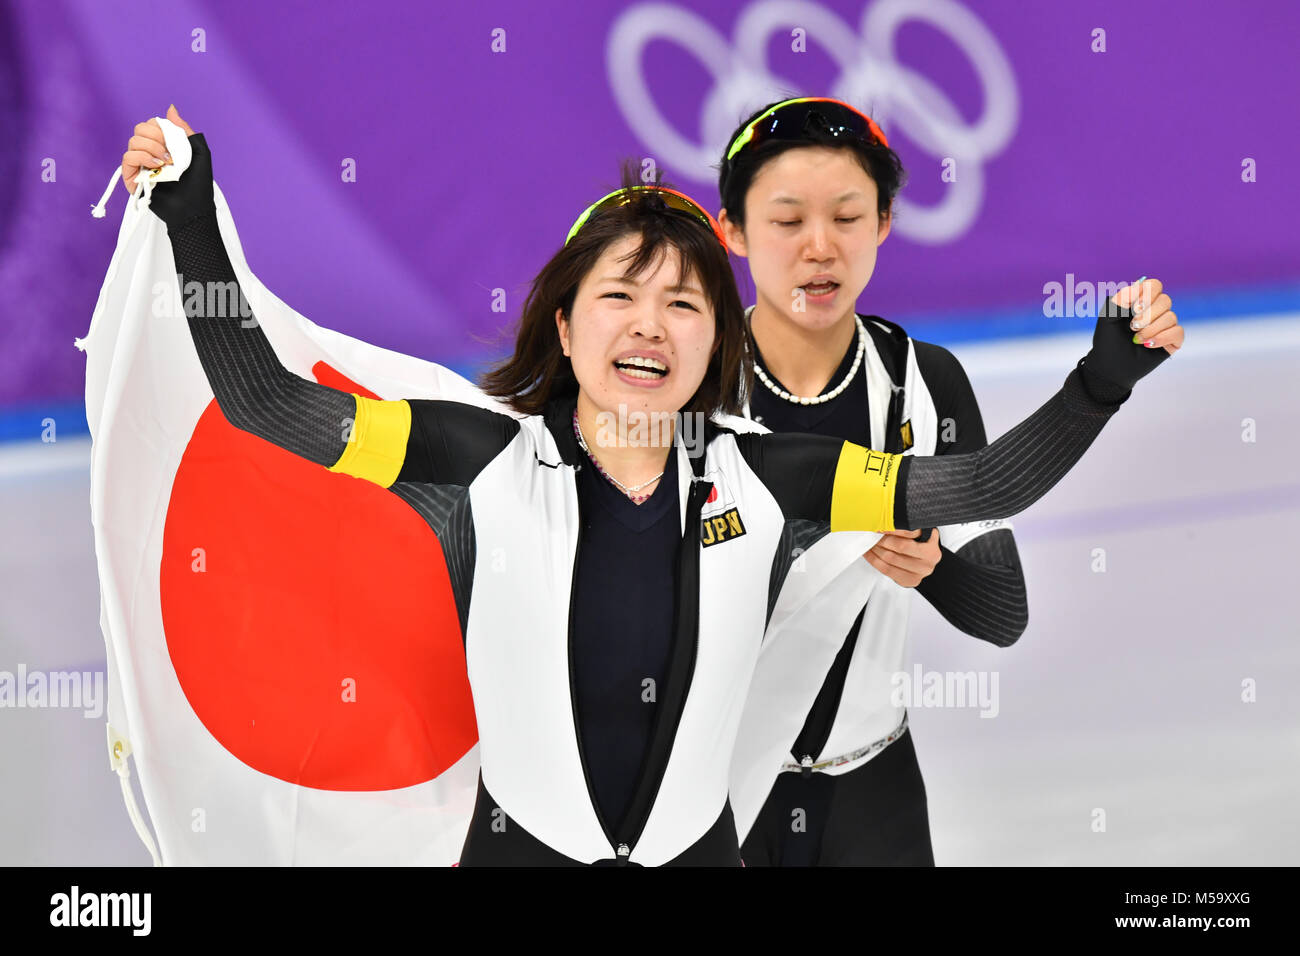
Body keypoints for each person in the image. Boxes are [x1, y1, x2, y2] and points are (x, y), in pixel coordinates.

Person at [118, 106, 1176, 866]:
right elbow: (264, 401)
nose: (649, 324)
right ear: (566, 326)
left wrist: (1101, 380)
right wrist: (191, 214)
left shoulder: (775, 472)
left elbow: (981, 480)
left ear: (716, 341)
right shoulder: (468, 457)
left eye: (683, 304)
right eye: (619, 293)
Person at [716, 97, 1185, 866]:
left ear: (886, 224)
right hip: (717, 797)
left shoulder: (924, 383)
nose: (820, 248)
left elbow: (1004, 612)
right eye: (787, 220)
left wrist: (931, 569)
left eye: (847, 216)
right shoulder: (689, 389)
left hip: (874, 796)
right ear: (732, 231)